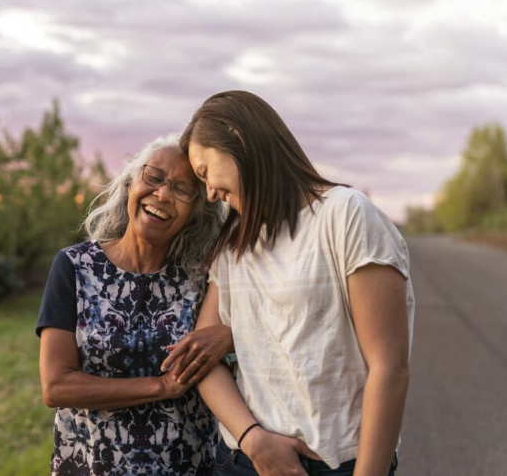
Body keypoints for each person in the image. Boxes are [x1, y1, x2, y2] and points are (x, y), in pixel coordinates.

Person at [164, 90, 414, 476]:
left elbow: (389, 368)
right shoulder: (234, 245)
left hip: (338, 463)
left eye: (204, 172)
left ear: (238, 138)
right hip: (243, 462)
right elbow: (203, 361)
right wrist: (252, 439)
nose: (210, 192)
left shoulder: (345, 215)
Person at [37, 134, 231, 475]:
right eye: (154, 177)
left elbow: (256, 327)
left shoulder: (205, 277)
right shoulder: (74, 267)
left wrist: (229, 336)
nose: (163, 194)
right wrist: (163, 387)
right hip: (92, 465)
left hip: (188, 466)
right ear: (130, 183)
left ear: (197, 212)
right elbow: (56, 385)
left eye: (183, 190)